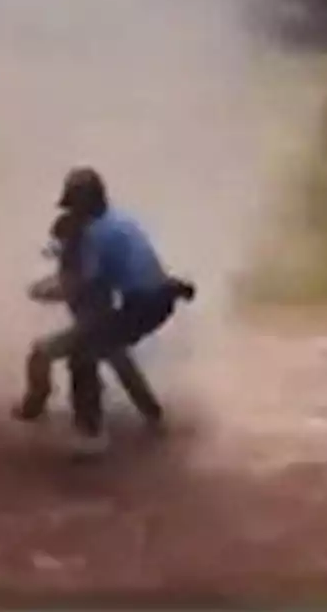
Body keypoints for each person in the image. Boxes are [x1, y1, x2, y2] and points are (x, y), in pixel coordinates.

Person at [14, 167, 196, 458]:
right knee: (110, 347)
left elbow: (80, 284)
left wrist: (44, 290)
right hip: (158, 298)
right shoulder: (119, 220)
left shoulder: (94, 236)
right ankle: (152, 413)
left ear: (85, 205)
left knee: (83, 352)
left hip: (144, 302)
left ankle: (89, 434)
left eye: (74, 207)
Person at [23, 206, 171, 435]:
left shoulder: (87, 261)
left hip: (94, 326)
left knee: (43, 352)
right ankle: (151, 412)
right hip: (101, 325)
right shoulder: (84, 258)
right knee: (120, 362)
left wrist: (41, 291)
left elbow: (69, 286)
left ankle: (37, 406)